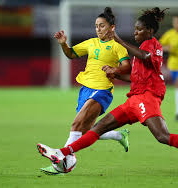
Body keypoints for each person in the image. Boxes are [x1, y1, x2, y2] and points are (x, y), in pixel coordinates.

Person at [37, 7, 178, 176]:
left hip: (147, 97)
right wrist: (114, 74)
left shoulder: (151, 45)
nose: (135, 32)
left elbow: (146, 56)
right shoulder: (140, 49)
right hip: (134, 98)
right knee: (97, 128)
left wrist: (117, 40)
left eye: (139, 29)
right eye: (135, 29)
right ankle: (62, 152)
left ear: (149, 31)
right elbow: (134, 77)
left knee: (163, 137)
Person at [40, 7, 131, 175]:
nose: (98, 29)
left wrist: (113, 69)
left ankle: (61, 163)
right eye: (96, 26)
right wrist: (63, 44)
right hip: (85, 90)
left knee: (76, 125)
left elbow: (127, 67)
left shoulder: (117, 47)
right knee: (85, 131)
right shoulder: (91, 43)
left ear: (112, 27)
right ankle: (120, 135)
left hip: (101, 91)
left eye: (102, 26)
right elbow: (71, 54)